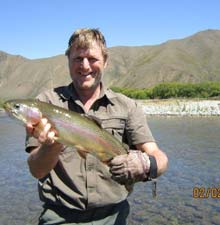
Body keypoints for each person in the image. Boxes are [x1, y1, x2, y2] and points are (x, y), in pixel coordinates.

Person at [25, 28, 168, 224]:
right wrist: (52, 145)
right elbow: (37, 171)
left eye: (92, 58)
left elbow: (159, 157)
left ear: (105, 62)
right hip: (60, 217)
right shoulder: (45, 104)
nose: (85, 66)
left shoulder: (127, 106)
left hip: (114, 217)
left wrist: (146, 165)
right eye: (78, 59)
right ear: (68, 61)